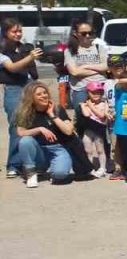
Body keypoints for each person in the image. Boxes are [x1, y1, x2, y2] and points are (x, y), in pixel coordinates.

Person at [14, 82, 76, 188]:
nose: (43, 96)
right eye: (39, 94)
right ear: (31, 98)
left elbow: (68, 131)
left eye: (45, 93)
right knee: (25, 141)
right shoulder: (25, 112)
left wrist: (52, 115)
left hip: (58, 148)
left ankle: (52, 169)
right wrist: (39, 129)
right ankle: (31, 173)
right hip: (39, 150)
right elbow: (21, 132)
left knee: (60, 175)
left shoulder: (57, 108)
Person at [1, 18, 41, 178]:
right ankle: (13, 164)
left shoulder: (25, 48)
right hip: (13, 89)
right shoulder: (2, 51)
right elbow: (12, 67)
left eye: (19, 31)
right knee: (16, 126)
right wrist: (30, 57)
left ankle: (30, 162)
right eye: (14, 31)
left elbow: (33, 68)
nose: (18, 34)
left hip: (30, 85)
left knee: (33, 122)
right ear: (6, 32)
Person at [65, 19, 110, 114]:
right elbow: (74, 72)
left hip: (101, 87)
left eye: (90, 33)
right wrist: (98, 69)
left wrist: (85, 66)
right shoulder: (70, 50)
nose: (88, 36)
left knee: (104, 116)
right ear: (75, 33)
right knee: (83, 117)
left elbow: (106, 66)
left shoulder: (99, 47)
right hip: (81, 89)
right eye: (84, 33)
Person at [79, 81, 112, 177]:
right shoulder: (85, 103)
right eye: (93, 92)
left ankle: (102, 168)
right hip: (88, 130)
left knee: (100, 150)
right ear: (88, 93)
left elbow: (101, 115)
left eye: (98, 92)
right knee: (88, 150)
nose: (96, 95)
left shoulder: (104, 103)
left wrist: (90, 106)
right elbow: (86, 114)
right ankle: (90, 168)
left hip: (99, 129)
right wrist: (83, 105)